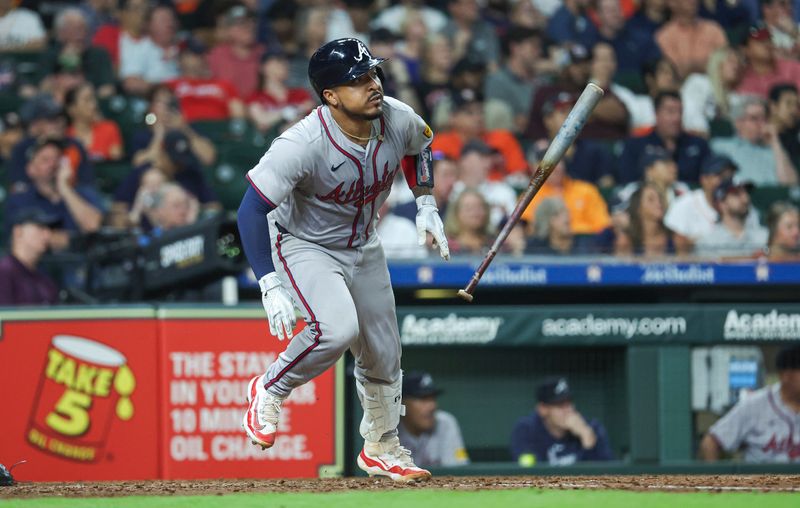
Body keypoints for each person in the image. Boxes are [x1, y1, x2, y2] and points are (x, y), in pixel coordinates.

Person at [237, 38, 449, 483]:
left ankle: (382, 446)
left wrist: (426, 201)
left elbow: (420, 144)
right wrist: (269, 283)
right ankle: (270, 388)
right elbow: (250, 208)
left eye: (373, 73)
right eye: (358, 80)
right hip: (305, 244)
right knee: (336, 330)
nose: (373, 85)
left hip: (364, 244)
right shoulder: (301, 144)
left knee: (384, 353)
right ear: (330, 95)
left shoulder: (396, 116)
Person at [699, 344, 800, 463]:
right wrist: (716, 481)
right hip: (763, 479)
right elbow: (710, 443)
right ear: (786, 375)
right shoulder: (755, 405)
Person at [5, 138, 104, 250]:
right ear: (31, 169)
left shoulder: (84, 194)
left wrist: (65, 188)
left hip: (83, 262)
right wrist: (79, 239)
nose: (53, 164)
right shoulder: (20, 200)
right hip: (40, 264)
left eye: (58, 158)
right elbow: (20, 239)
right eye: (45, 160)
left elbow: (95, 227)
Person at [112, 130, 221, 229]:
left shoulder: (191, 173)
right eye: (175, 161)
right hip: (148, 238)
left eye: (182, 160)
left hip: (187, 236)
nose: (179, 165)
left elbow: (214, 207)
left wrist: (191, 209)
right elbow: (118, 211)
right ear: (162, 154)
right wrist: (135, 215)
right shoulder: (142, 174)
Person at [510, 376, 614, 465]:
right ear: (543, 409)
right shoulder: (527, 430)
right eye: (560, 405)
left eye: (569, 403)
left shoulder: (591, 428)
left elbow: (609, 477)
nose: (569, 410)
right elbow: (530, 475)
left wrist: (587, 440)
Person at [617, 91, 711, 184]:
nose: (676, 118)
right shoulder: (636, 144)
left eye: (680, 112)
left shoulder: (698, 144)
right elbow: (627, 181)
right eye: (670, 112)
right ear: (656, 114)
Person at [521, 142, 611, 236]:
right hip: (546, 247)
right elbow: (528, 229)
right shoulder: (531, 195)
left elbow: (603, 226)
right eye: (547, 163)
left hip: (585, 246)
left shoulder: (586, 191)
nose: (555, 167)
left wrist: (571, 232)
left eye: (558, 162)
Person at [710, 96, 799, 186]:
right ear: (738, 123)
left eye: (764, 118)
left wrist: (775, 141)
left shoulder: (774, 151)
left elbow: (790, 184)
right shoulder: (721, 146)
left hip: (775, 197)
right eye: (754, 118)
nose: (761, 123)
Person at [664, 154, 739, 254]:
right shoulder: (684, 204)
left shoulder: (741, 204)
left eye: (729, 176)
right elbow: (675, 247)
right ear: (704, 179)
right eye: (720, 176)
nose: (726, 181)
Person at [397, 371, 469, 468]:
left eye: (433, 399)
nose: (432, 406)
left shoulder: (444, 423)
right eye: (423, 399)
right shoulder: (386, 429)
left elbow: (458, 471)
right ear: (402, 403)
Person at [166, 39, 245, 123]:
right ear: (180, 59)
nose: (201, 58)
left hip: (218, 131)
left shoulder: (224, 85)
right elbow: (158, 112)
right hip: (184, 131)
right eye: (195, 54)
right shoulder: (170, 85)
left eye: (203, 54)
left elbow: (239, 116)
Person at [0, 208, 60, 306]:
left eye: (49, 230)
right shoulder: (4, 272)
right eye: (40, 227)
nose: (47, 235)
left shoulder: (45, 280)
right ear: (18, 231)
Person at [695, 179, 769, 258]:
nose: (745, 199)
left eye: (746, 193)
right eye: (736, 194)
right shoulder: (708, 242)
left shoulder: (765, 236)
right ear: (721, 204)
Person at [247, 49, 315, 134]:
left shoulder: (300, 93)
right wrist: (285, 112)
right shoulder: (256, 97)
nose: (284, 64)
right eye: (278, 60)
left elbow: (311, 111)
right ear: (263, 67)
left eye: (285, 61)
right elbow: (261, 120)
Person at [654, 0, 727, 79]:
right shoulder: (664, 36)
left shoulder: (714, 30)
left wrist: (690, 66)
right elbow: (675, 71)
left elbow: (725, 64)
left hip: (716, 85)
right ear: (672, 3)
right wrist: (707, 65)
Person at [207, 4, 266, 99]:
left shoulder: (264, 53)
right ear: (228, 30)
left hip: (260, 108)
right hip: (227, 108)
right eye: (241, 24)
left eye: (251, 21)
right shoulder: (217, 55)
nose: (248, 27)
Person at [736, 23, 800, 100]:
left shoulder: (792, 68)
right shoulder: (741, 80)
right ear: (745, 49)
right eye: (760, 41)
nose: (767, 44)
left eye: (769, 39)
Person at [64, 82, 124, 162]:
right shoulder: (65, 135)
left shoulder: (109, 128)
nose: (94, 104)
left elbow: (115, 163)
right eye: (87, 100)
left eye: (93, 99)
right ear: (72, 109)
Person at [625, 182, 675, 257]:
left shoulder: (676, 239)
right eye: (651, 199)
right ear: (638, 208)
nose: (658, 203)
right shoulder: (626, 241)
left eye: (660, 199)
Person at [443, 187, 492, 255]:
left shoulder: (495, 244)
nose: (475, 212)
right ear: (456, 213)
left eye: (479, 207)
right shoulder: (446, 246)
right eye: (469, 208)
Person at [768, 83, 800, 168]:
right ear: (773, 106)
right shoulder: (764, 136)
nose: (794, 110)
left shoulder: (797, 133)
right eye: (788, 104)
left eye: (796, 105)